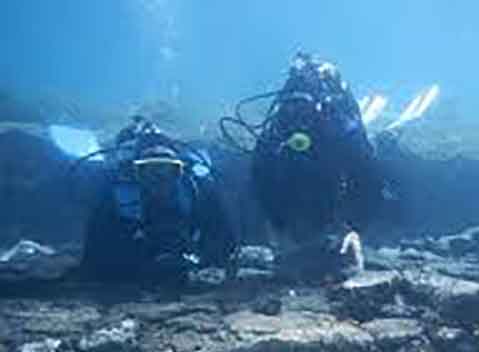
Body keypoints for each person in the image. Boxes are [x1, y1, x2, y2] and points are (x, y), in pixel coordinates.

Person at [221, 52, 382, 277]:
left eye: (303, 110)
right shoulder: (276, 133)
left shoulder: (339, 129)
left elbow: (367, 178)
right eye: (291, 110)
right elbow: (259, 179)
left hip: (329, 199)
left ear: (317, 108)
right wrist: (277, 224)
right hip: (294, 203)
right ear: (283, 108)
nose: (297, 119)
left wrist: (354, 228)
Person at [77, 116, 239, 283]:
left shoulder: (198, 192)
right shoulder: (115, 199)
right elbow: (97, 255)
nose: (159, 180)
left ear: (181, 171)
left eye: (168, 171)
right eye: (149, 171)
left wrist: (201, 259)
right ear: (134, 173)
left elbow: (225, 241)